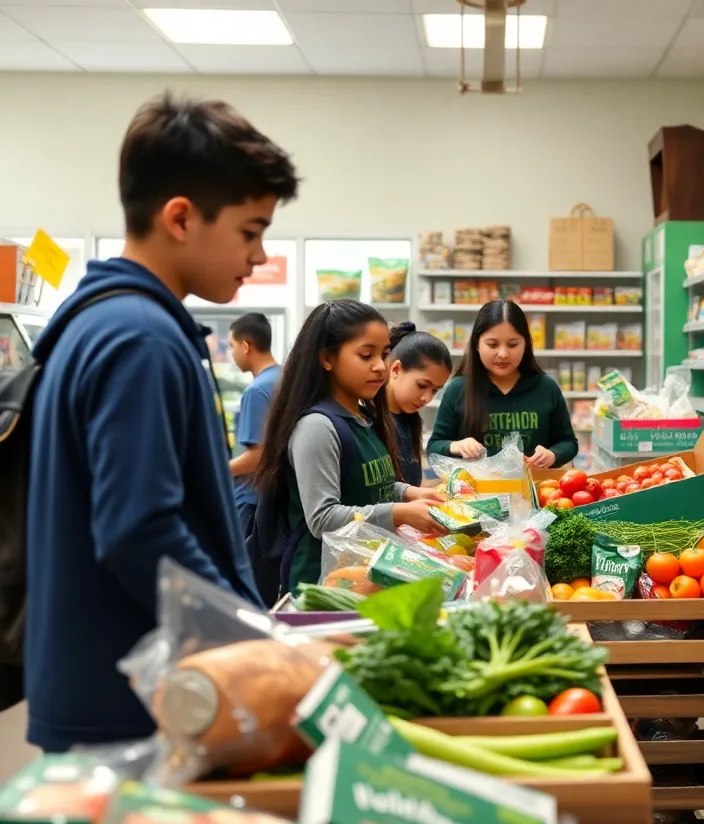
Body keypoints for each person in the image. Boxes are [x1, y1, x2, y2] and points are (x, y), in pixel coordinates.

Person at [24, 93, 299, 751]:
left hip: (115, 683)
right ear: (180, 217)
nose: (259, 255)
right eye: (250, 230)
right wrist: (252, 643)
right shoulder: (139, 338)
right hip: (133, 698)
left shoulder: (103, 321)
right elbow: (138, 528)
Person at [254, 300, 447, 594]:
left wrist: (409, 492)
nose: (380, 367)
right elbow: (323, 519)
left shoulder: (365, 419)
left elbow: (368, 485)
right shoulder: (317, 427)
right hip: (325, 585)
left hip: (364, 574)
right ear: (327, 358)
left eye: (383, 354)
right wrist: (399, 513)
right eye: (365, 355)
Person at [427, 300, 577, 469]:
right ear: (476, 344)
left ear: (526, 344)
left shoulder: (546, 387)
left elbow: (568, 442)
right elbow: (434, 446)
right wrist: (456, 446)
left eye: (513, 344)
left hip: (534, 490)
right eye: (492, 344)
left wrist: (553, 454)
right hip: (477, 493)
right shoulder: (458, 389)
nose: (503, 354)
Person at [228, 312, 281, 535]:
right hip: (274, 498)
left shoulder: (257, 390)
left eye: (232, 346)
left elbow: (258, 455)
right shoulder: (285, 377)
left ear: (245, 346)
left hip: (252, 499)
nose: (232, 354)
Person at [383, 322, 453, 486]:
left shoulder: (410, 420)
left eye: (435, 390)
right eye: (422, 385)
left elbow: (416, 485)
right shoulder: (369, 422)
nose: (427, 398)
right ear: (396, 370)